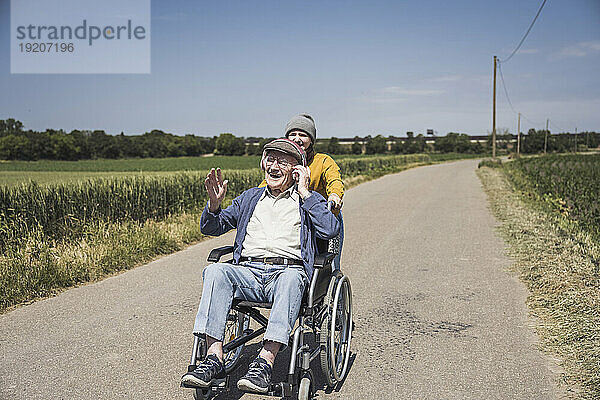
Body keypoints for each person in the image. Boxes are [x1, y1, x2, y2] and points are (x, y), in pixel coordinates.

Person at [181, 138, 340, 394]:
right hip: (248, 273)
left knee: (290, 279)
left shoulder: (308, 200)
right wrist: (213, 205)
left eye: (283, 161)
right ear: (262, 164)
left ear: (297, 169)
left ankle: (264, 363)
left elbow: (330, 229)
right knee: (215, 270)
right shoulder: (250, 197)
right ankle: (213, 358)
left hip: (287, 273)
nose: (274, 165)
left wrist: (306, 192)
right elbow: (211, 227)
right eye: (270, 159)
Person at [260, 114, 345, 270]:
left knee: (330, 266)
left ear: (311, 140)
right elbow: (268, 183)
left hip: (323, 217)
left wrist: (334, 195)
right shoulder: (284, 162)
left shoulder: (323, 161)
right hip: (293, 220)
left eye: (303, 135)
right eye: (293, 134)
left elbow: (335, 181)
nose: (297, 138)